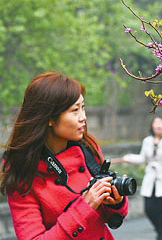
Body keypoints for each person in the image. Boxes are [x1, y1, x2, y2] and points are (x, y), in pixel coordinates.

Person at [1, 72, 129, 239]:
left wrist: (116, 202)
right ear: (49, 117)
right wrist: (85, 206)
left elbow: (107, 217)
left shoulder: (87, 149)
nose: (83, 117)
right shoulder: (22, 171)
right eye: (75, 110)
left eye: (83, 107)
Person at [118, 116, 162, 240]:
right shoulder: (147, 141)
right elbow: (143, 159)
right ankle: (161, 232)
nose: (159, 125)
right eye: (156, 123)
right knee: (149, 210)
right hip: (150, 181)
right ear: (152, 125)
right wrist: (129, 158)